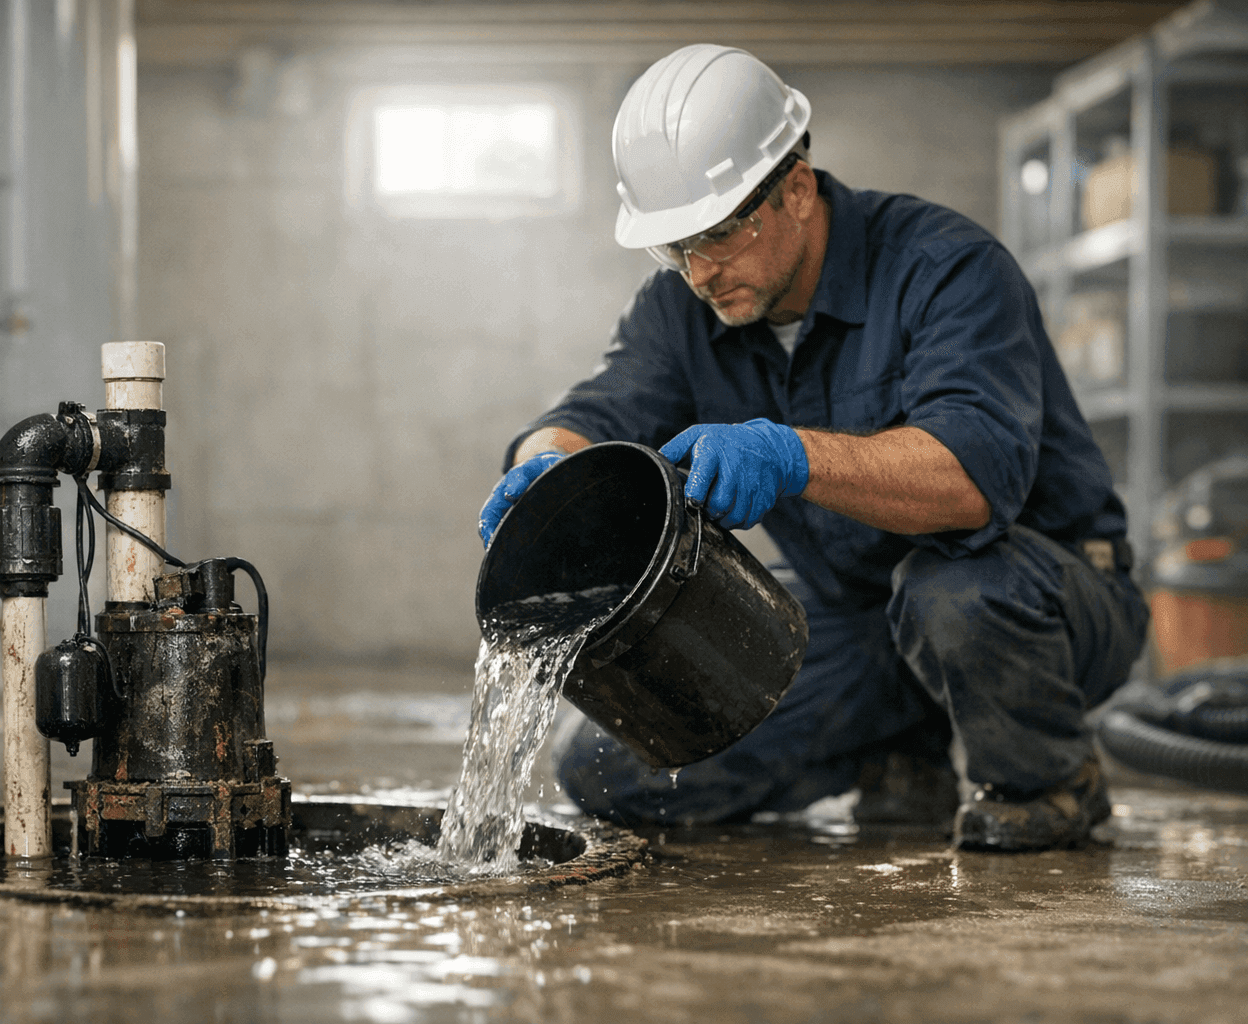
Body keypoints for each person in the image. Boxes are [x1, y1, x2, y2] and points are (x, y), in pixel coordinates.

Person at [477, 44, 1150, 852]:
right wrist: (545, 467)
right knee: (612, 769)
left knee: (950, 594)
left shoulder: (947, 268)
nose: (699, 272)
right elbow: (593, 411)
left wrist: (790, 455)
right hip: (861, 616)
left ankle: (1048, 778)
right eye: (673, 247)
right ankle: (894, 742)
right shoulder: (681, 306)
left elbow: (970, 481)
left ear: (795, 189)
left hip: (1036, 600)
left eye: (717, 234)